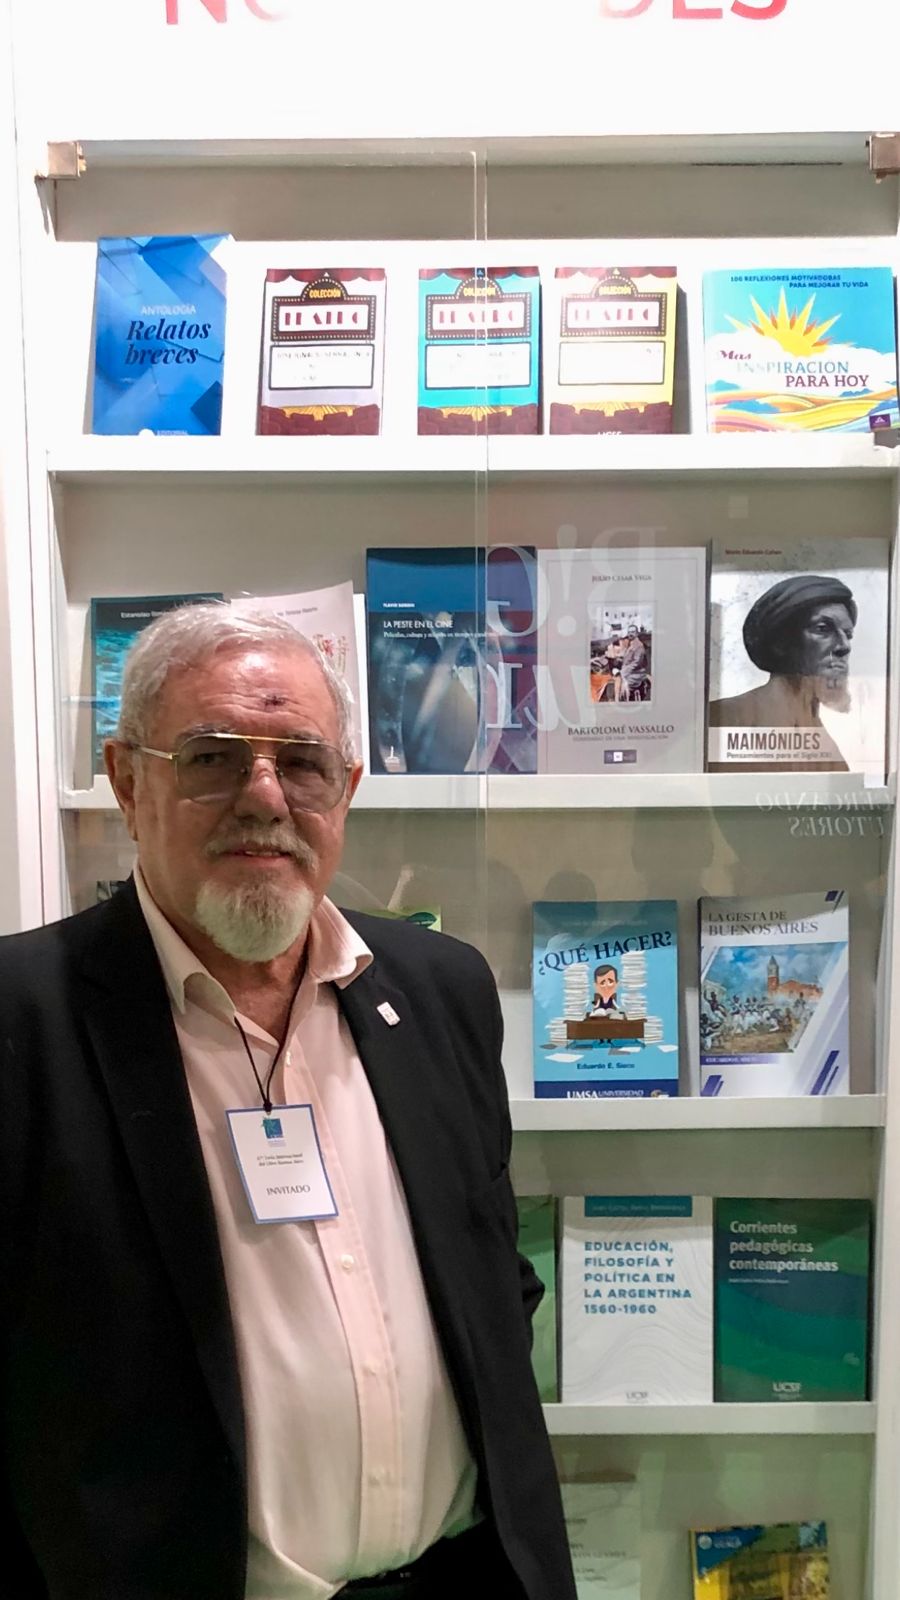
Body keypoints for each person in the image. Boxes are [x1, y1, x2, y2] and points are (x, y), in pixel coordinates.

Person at [0, 604, 576, 1600]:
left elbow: (492, 1282)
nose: (265, 797)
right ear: (128, 782)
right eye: (212, 758)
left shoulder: (441, 988)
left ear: (345, 790)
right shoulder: (22, 1021)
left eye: (302, 763)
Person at [709, 574, 857, 771]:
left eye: (848, 634)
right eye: (823, 629)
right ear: (780, 642)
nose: (844, 646)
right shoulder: (721, 719)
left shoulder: (827, 751)